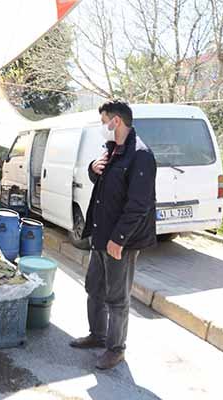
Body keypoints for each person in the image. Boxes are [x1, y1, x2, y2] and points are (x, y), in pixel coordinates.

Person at [69, 100, 157, 370]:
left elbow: (138, 205)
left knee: (117, 298)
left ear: (115, 121)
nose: (102, 127)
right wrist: (93, 169)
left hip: (120, 241)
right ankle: (98, 335)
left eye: (103, 121)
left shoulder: (140, 154)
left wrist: (118, 240)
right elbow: (107, 186)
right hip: (100, 234)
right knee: (94, 288)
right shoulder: (111, 150)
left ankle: (116, 349)